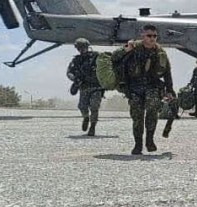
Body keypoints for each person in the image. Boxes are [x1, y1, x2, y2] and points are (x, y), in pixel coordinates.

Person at [114, 24, 174, 155]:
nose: (152, 38)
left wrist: (170, 90)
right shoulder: (133, 47)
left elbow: (167, 72)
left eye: (155, 36)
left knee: (152, 111)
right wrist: (125, 50)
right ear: (143, 35)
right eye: (149, 35)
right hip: (134, 87)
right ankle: (138, 144)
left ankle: (150, 140)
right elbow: (114, 57)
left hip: (152, 86)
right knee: (137, 117)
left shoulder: (160, 53)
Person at [65, 38, 103, 136]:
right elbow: (69, 72)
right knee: (82, 106)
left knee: (94, 106)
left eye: (83, 47)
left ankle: (92, 127)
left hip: (96, 87)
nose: (81, 50)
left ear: (87, 47)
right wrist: (75, 79)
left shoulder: (96, 57)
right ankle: (86, 117)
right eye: (79, 48)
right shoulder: (76, 60)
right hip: (84, 87)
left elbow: (105, 68)